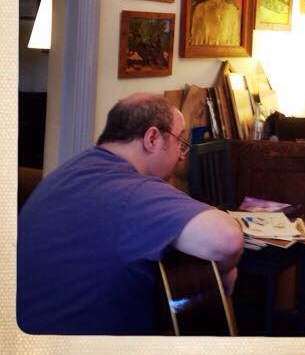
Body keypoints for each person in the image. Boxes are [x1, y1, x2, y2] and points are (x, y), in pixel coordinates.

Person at [17, 93, 245, 335]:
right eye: (180, 142)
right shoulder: (131, 190)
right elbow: (226, 239)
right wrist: (225, 271)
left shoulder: (64, 175)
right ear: (152, 138)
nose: (181, 155)